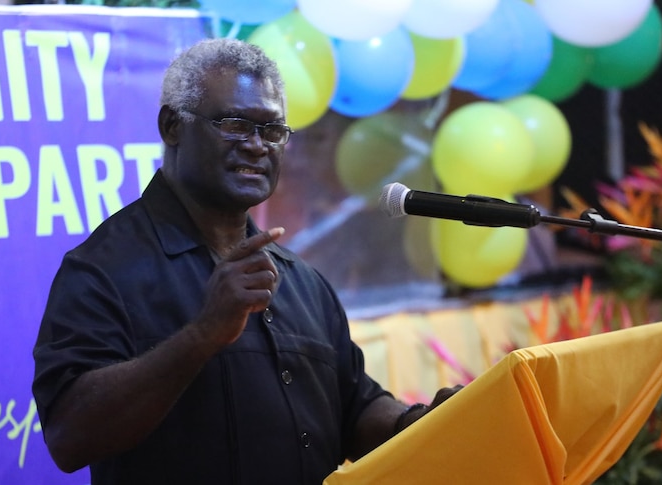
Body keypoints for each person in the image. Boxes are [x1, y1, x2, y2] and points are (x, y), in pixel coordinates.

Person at [32, 37, 460, 484]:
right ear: (172, 126)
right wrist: (203, 335)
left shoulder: (301, 281)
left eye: (272, 130)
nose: (258, 146)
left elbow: (355, 408)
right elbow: (69, 435)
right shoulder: (103, 269)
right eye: (236, 124)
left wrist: (413, 423)